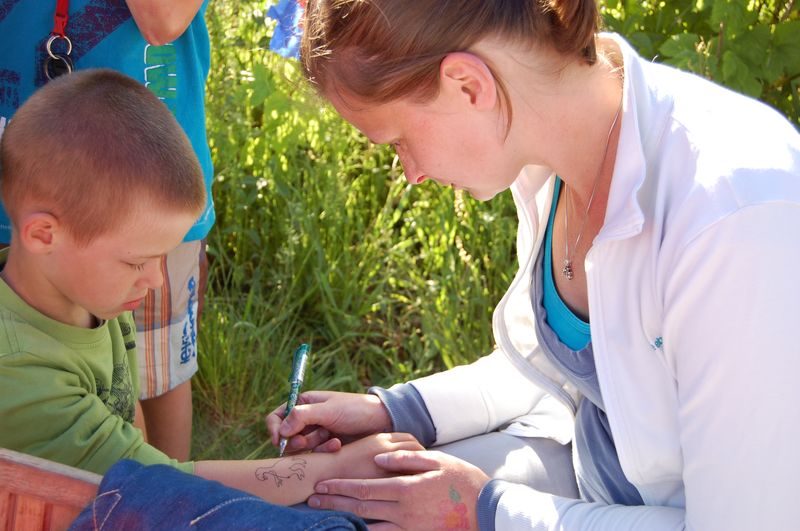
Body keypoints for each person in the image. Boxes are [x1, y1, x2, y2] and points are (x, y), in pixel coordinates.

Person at [266, 0, 800, 529]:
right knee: (340, 504)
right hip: (585, 483)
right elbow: (572, 370)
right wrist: (394, 411)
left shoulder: (734, 218)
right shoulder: (551, 160)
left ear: (468, 85)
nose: (411, 173)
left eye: (401, 141)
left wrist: (486, 510)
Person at [0, 69, 423, 508]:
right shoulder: (18, 372)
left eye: (160, 258)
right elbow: (158, 483)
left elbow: (128, 418)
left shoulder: (91, 294)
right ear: (44, 236)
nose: (155, 280)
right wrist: (326, 471)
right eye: (136, 261)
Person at [0, 0, 215, 461]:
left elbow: (163, 18)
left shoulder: (103, 293)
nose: (156, 278)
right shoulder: (17, 361)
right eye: (139, 262)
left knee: (158, 375)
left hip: (131, 162)